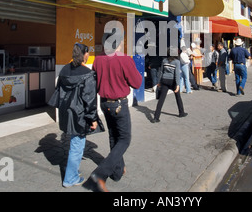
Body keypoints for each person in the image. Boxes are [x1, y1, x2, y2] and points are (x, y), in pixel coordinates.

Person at [90, 36, 142, 192]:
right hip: (119, 104)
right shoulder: (124, 59)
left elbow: (95, 80)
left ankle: (117, 172)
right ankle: (100, 174)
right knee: (125, 139)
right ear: (119, 43)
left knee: (114, 136)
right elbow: (137, 83)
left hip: (104, 103)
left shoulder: (98, 60)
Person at [51, 43, 101, 188]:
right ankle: (70, 178)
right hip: (80, 115)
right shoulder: (88, 73)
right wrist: (93, 118)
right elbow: (90, 99)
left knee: (74, 143)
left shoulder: (64, 70)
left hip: (66, 113)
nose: (89, 55)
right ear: (85, 55)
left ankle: (72, 170)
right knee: (77, 145)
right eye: (88, 53)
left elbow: (59, 90)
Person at [152, 48, 187, 123]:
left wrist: (159, 82)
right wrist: (177, 85)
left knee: (161, 100)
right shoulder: (177, 62)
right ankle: (181, 112)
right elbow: (177, 74)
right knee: (178, 97)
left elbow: (161, 72)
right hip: (172, 81)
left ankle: (156, 117)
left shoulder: (164, 61)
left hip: (164, 80)